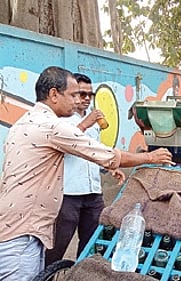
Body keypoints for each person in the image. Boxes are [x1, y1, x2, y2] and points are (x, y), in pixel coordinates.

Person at [0, 66, 174, 281]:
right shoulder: (53, 126)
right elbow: (108, 155)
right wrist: (149, 157)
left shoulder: (24, 122)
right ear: (54, 94)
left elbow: (95, 157)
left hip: (21, 227)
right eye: (73, 95)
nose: (77, 101)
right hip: (22, 234)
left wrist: (109, 166)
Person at [44, 73, 125, 266]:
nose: (86, 98)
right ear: (71, 95)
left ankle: (81, 273)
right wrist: (85, 123)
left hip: (93, 193)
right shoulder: (60, 120)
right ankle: (46, 275)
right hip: (69, 194)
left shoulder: (94, 126)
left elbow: (93, 153)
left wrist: (110, 167)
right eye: (81, 94)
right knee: (58, 244)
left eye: (90, 94)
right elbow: (65, 146)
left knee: (91, 243)